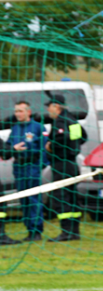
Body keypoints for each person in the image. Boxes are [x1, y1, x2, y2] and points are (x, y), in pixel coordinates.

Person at [0, 101, 46, 244]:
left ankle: (36, 230)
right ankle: (28, 229)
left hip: (32, 166)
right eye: (16, 111)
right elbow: (7, 149)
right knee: (23, 200)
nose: (18, 114)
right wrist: (12, 149)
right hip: (19, 168)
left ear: (28, 112)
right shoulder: (15, 129)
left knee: (33, 199)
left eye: (20, 111)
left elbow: (44, 148)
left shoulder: (37, 127)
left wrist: (40, 166)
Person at [45, 94, 87, 242]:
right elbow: (83, 137)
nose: (48, 110)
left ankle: (66, 232)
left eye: (49, 107)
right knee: (72, 197)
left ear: (56, 106)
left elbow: (61, 139)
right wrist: (72, 148)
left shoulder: (61, 121)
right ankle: (74, 231)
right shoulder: (72, 120)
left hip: (61, 164)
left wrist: (51, 145)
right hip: (72, 163)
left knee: (61, 197)